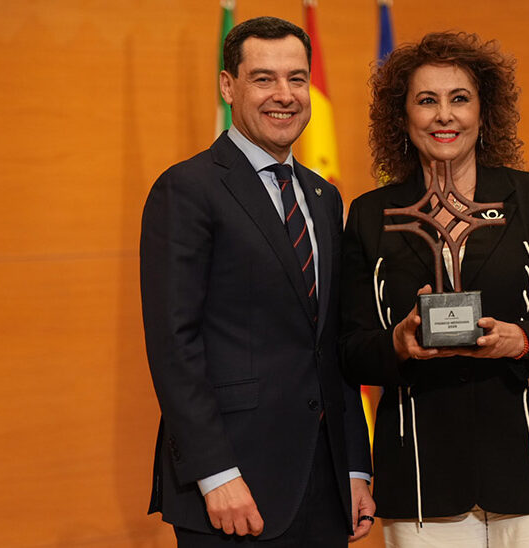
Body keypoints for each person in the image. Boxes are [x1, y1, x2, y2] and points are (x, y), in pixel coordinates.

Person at [340, 31, 529, 546]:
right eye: (426, 101)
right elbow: (350, 350)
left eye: (459, 99)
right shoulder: (371, 215)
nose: (444, 115)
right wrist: (396, 345)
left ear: (483, 115)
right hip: (424, 481)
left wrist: (522, 341)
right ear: (402, 119)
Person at [140, 16, 374, 547]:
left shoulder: (323, 195)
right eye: (263, 78)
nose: (284, 95)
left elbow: (331, 344)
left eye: (296, 78)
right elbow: (174, 346)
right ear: (229, 86)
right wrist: (215, 474)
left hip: (325, 481)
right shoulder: (187, 189)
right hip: (231, 487)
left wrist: (355, 467)